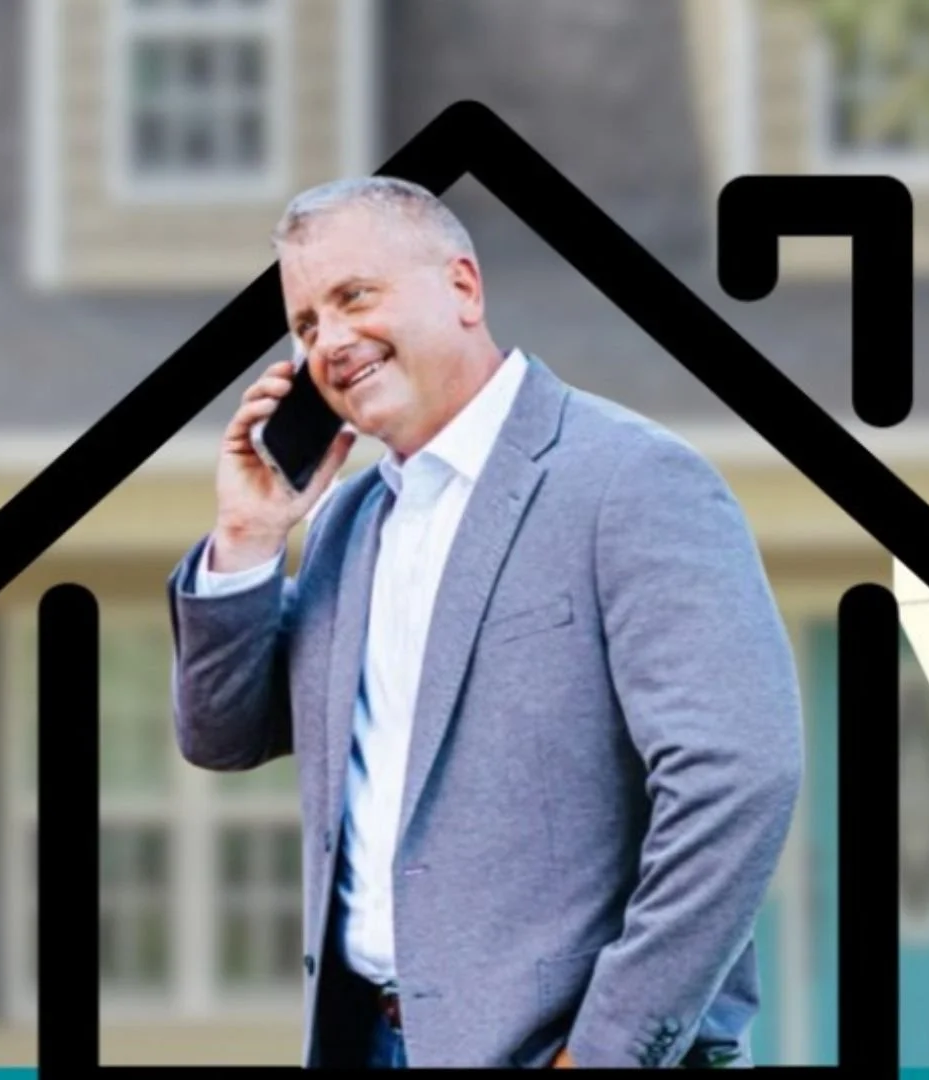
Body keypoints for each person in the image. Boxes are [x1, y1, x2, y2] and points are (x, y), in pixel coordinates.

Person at [165, 176, 804, 1069]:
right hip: (369, 1043)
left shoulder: (631, 480)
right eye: (307, 324)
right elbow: (222, 734)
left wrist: (612, 1052)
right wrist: (247, 535)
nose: (331, 342)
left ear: (463, 286)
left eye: (355, 297)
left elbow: (739, 780)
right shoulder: (348, 526)